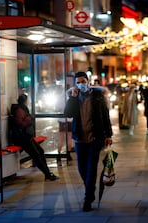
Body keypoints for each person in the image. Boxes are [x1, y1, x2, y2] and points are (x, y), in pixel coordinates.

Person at [64, 71, 113, 212]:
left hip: (95, 138)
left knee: (91, 168)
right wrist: (72, 98)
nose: (81, 84)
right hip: (79, 139)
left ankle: (87, 198)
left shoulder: (97, 96)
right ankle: (90, 189)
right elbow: (67, 114)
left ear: (88, 81)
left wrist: (108, 134)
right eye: (78, 82)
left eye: (83, 81)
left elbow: (105, 115)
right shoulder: (74, 97)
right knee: (81, 168)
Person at [10, 94, 59, 181]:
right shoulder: (19, 110)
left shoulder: (22, 108)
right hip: (22, 138)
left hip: (26, 136)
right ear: (25, 101)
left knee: (40, 151)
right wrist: (29, 118)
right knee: (36, 155)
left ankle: (48, 173)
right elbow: (21, 124)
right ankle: (47, 174)